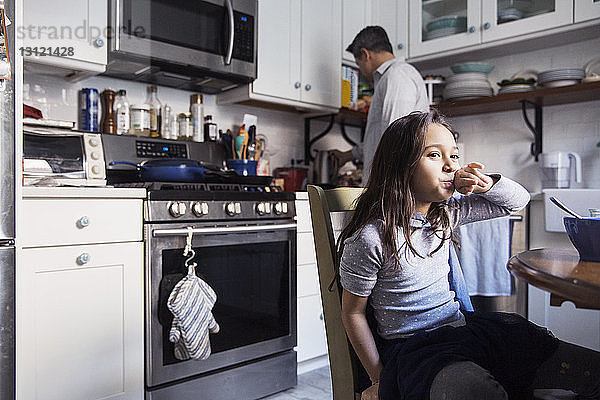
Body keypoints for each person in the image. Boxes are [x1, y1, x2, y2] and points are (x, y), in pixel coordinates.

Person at [337, 110, 600, 400]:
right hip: (416, 355)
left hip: (462, 333)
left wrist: (488, 183)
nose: (451, 165)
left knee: (589, 368)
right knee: (481, 392)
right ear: (401, 166)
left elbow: (517, 201)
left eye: (455, 155)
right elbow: (352, 313)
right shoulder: (371, 239)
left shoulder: (446, 214)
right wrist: (379, 379)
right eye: (435, 155)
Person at [332, 26, 429, 182]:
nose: (362, 71)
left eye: (359, 64)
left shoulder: (396, 76)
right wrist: (348, 155)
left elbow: (396, 139)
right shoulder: (392, 77)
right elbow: (381, 137)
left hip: (389, 190)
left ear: (365, 54)